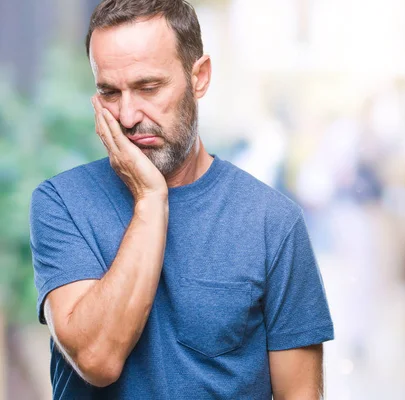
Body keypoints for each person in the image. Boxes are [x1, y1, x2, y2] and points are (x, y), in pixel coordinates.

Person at [28, 1, 334, 398]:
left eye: (148, 87)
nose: (127, 115)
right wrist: (150, 199)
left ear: (200, 77)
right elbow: (97, 358)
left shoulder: (271, 221)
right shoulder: (61, 204)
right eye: (109, 92)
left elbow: (300, 394)